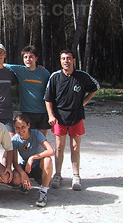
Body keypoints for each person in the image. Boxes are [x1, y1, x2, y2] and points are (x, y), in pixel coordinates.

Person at [44, 49, 99, 191]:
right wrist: (51, 115)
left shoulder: (82, 76)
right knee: (59, 147)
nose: (66, 61)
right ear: (60, 61)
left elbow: (95, 87)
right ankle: (58, 174)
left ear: (74, 60)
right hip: (59, 118)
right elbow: (48, 99)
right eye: (63, 58)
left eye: (68, 58)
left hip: (76, 117)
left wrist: (84, 102)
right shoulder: (55, 77)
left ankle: (76, 176)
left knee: (75, 147)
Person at [0, 45, 50, 136]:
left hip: (43, 111)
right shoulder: (20, 70)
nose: (28, 59)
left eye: (31, 57)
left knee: (41, 139)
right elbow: (0, 63)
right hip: (27, 111)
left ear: (36, 58)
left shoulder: (44, 73)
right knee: (28, 139)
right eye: (25, 57)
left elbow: (50, 92)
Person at [11, 114, 54, 207]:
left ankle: (44, 192)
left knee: (48, 160)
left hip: (38, 166)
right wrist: (23, 174)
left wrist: (33, 157)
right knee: (15, 177)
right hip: (25, 167)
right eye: (17, 128)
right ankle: (24, 184)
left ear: (28, 125)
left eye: (23, 127)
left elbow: (51, 151)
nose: (21, 130)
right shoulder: (15, 139)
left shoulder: (36, 134)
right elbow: (14, 162)